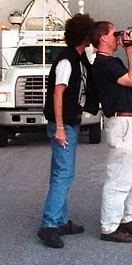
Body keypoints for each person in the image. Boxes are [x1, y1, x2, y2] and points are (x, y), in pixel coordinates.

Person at [36, 14, 99, 248]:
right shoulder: (67, 60)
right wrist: (60, 127)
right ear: (84, 35)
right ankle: (49, 225)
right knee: (64, 174)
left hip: (71, 123)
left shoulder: (80, 59)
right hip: (63, 126)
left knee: (61, 174)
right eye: (90, 32)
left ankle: (61, 221)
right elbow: (58, 93)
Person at [90, 21, 132, 243]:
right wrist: (130, 52)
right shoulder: (102, 63)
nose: (119, 37)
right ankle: (109, 227)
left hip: (131, 122)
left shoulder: (113, 62)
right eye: (115, 33)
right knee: (119, 177)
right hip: (121, 123)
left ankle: (126, 218)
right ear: (103, 37)